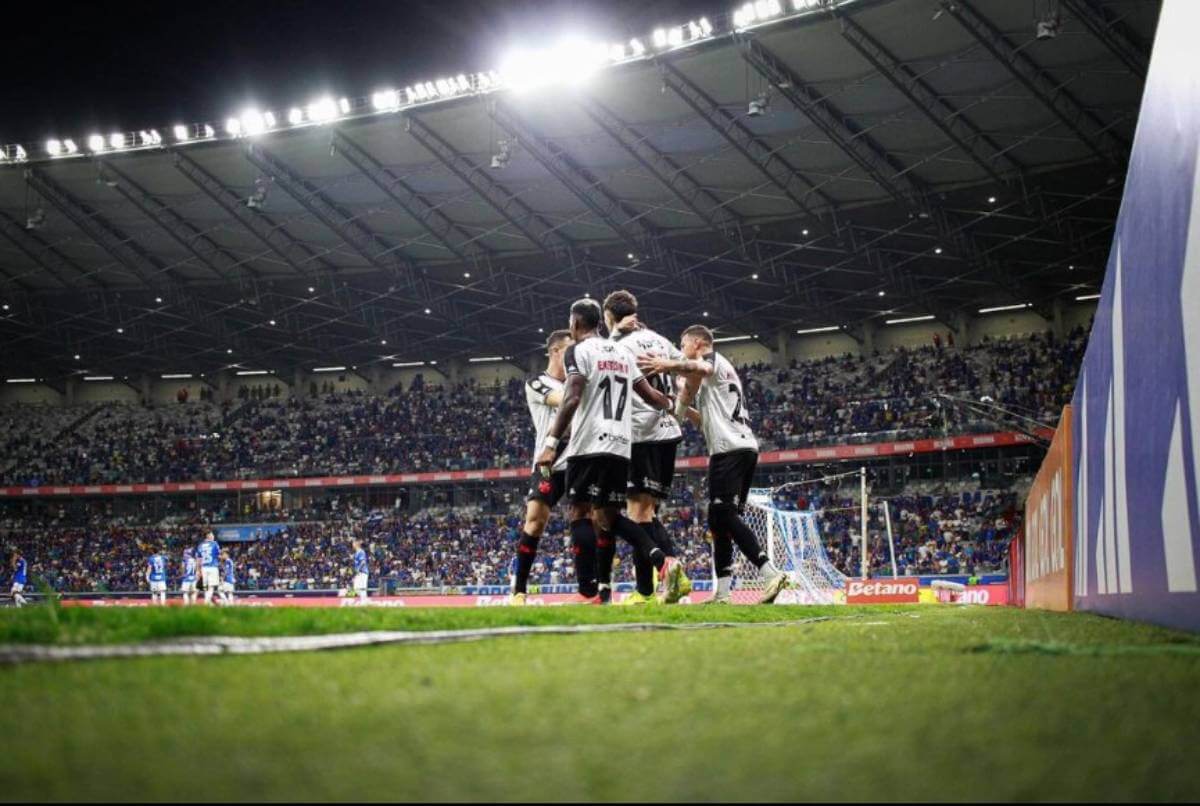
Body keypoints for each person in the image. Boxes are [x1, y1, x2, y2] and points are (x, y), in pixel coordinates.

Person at [535, 298, 686, 604]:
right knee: (609, 516)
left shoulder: (578, 350)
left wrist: (551, 443)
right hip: (621, 445)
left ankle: (588, 591)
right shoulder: (621, 351)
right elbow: (649, 394)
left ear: (575, 323)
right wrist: (671, 404)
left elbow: (572, 395)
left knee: (580, 511)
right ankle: (664, 562)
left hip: (589, 443)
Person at [639, 324, 788, 604]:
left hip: (729, 450)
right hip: (741, 447)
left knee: (725, 515)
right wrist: (678, 409)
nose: (682, 351)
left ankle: (769, 571)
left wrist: (666, 364)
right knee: (718, 521)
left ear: (697, 343)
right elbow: (703, 419)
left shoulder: (712, 361)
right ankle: (722, 592)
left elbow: (701, 369)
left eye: (683, 345)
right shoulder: (717, 375)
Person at [602, 289, 703, 604]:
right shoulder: (658, 340)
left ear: (608, 316)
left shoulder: (617, 345)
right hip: (668, 432)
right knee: (644, 513)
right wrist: (680, 403)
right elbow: (691, 369)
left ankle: (651, 586)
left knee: (635, 514)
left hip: (641, 434)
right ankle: (659, 585)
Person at [509, 330, 574, 606]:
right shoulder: (536, 382)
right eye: (570, 350)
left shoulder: (577, 379)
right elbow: (564, 400)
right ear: (555, 351)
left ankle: (596, 587)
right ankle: (519, 591)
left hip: (578, 458)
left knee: (592, 520)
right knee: (535, 522)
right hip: (548, 462)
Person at [196, 531, 221, 605]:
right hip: (212, 567)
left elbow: (198, 559)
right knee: (211, 587)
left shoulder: (200, 545)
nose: (213, 536)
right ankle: (206, 603)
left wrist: (198, 570)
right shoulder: (214, 543)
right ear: (209, 536)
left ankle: (210, 603)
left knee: (206, 588)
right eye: (212, 535)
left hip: (204, 568)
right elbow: (218, 555)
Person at [351, 538, 369, 606]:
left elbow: (363, 562)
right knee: (356, 588)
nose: (352, 545)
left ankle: (364, 603)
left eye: (353, 543)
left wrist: (358, 569)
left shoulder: (361, 552)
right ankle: (365, 601)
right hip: (358, 573)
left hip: (362, 572)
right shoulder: (356, 553)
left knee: (362, 588)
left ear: (356, 544)